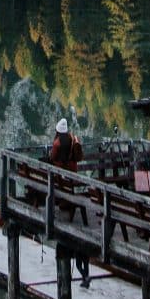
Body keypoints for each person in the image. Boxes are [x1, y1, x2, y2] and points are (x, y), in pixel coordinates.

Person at [48, 119, 91, 286]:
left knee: (59, 185)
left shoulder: (58, 142)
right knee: (67, 188)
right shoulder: (74, 138)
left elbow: (52, 157)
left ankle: (82, 277)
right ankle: (85, 276)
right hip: (73, 173)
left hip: (62, 175)